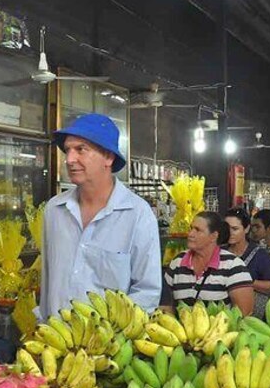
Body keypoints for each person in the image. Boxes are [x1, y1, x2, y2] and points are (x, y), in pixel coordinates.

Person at [40, 114, 161, 318]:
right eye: (68, 150)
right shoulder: (54, 210)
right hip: (56, 341)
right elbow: (47, 282)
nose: (69, 159)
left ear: (108, 157)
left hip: (111, 344)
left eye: (81, 149)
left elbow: (147, 293)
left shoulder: (137, 214)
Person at [164, 212, 253, 315]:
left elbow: (244, 314)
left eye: (197, 230)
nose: (190, 234)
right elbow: (165, 303)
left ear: (213, 236)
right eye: (191, 228)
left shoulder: (233, 266)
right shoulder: (177, 262)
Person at [224, 208, 270, 318]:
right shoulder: (220, 253)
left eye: (235, 229)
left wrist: (245, 282)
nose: (230, 233)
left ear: (247, 228)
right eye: (226, 228)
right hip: (223, 317)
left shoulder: (259, 255)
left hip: (251, 318)